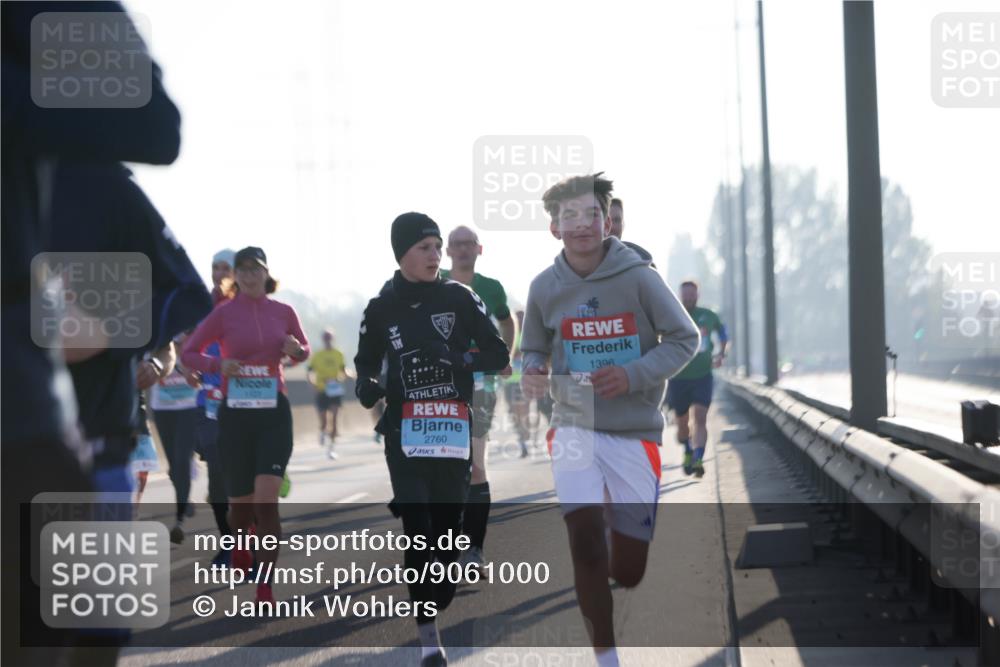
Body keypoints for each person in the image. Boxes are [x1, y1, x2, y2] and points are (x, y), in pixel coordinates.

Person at [520, 173, 699, 667]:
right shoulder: (543, 287)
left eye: (590, 214)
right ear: (554, 227)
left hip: (633, 431)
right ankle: (606, 657)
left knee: (630, 568)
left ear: (607, 220)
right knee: (584, 545)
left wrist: (633, 374)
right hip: (573, 421)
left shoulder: (639, 276)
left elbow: (685, 340)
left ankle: (612, 528)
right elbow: (531, 347)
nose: (581, 225)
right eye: (569, 217)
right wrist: (532, 368)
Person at [355, 212, 509, 667]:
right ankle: (429, 643)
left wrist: (459, 356)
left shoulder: (459, 297)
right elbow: (364, 361)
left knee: (442, 542)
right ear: (401, 253)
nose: (435, 255)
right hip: (404, 434)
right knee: (417, 530)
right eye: (425, 247)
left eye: (438, 246)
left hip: (451, 434)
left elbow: (498, 352)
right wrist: (366, 385)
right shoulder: (381, 307)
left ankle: (435, 598)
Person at [181, 246, 310, 605]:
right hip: (235, 415)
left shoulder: (283, 311)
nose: (250, 276)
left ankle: (264, 584)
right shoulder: (224, 314)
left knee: (267, 502)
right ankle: (240, 543)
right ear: (234, 276)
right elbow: (190, 353)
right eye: (243, 270)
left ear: (267, 274)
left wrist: (295, 348)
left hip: (273, 413)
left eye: (257, 269)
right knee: (241, 505)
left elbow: (304, 350)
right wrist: (217, 366)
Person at [440, 225, 516, 569]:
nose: (462, 249)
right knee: (443, 468)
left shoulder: (491, 287)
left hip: (482, 383)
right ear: (448, 251)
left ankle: (474, 551)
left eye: (468, 243)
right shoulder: (435, 282)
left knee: (474, 464)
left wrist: (506, 357)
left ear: (479, 249)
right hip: (441, 383)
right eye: (456, 244)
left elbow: (506, 320)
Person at [665, 280, 728, 477]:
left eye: (692, 294)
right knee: (682, 425)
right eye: (685, 295)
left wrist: (721, 354)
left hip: (702, 375)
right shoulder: (671, 315)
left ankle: (698, 459)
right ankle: (688, 450)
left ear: (697, 295)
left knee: (701, 417)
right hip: (678, 377)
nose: (689, 298)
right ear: (680, 295)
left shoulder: (709, 316)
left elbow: (723, 334)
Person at [307, 329, 347, 458]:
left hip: (335, 390)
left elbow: (343, 371)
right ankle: (322, 431)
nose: (328, 341)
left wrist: (345, 377)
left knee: (334, 420)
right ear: (323, 340)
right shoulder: (317, 355)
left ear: (332, 339)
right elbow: (309, 372)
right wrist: (312, 383)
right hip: (322, 389)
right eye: (326, 339)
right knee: (324, 421)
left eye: (329, 339)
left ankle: (331, 448)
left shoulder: (339, 354)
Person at [608, 197, 655, 266]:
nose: (612, 227)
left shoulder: (644, 266)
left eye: (617, 220)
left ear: (623, 225)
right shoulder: (588, 267)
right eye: (608, 220)